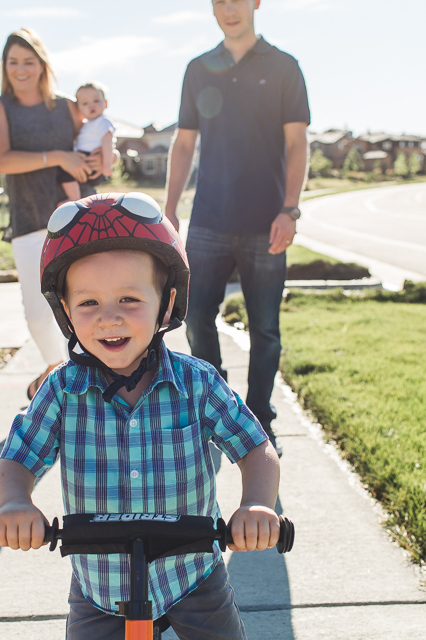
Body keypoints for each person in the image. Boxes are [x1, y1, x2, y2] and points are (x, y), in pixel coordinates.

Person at [0, 192, 281, 639]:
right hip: (100, 587)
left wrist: (256, 504)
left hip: (193, 575)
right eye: (88, 303)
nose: (109, 319)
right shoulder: (62, 391)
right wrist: (14, 503)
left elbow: (255, 449)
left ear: (166, 305)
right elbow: (16, 461)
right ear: (65, 311)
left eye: (129, 299)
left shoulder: (196, 383)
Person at [163, 0, 310, 456]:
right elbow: (184, 142)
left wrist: (290, 209)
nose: (229, 8)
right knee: (195, 320)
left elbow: (297, 142)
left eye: (236, 0)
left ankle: (260, 421)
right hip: (208, 220)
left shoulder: (284, 66)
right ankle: (218, 410)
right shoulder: (198, 68)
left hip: (268, 223)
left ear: (256, 3)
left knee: (265, 329)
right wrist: (170, 207)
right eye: (219, 1)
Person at [0, 28, 104, 400]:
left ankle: (78, 383)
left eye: (29, 61)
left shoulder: (66, 106)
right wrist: (57, 156)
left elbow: (93, 142)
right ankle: (54, 371)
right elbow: (1, 160)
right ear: (5, 67)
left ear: (42, 65)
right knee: (37, 313)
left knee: (88, 302)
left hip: (78, 216)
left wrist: (99, 158)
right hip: (29, 218)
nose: (21, 69)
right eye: (13, 62)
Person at [60, 82, 115, 202]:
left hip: (90, 158)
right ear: (78, 109)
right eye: (85, 103)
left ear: (105, 103)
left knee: (65, 174)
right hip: (84, 156)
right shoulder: (87, 124)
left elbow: (107, 142)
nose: (91, 105)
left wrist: (106, 165)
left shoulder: (103, 122)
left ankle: (74, 197)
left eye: (96, 101)